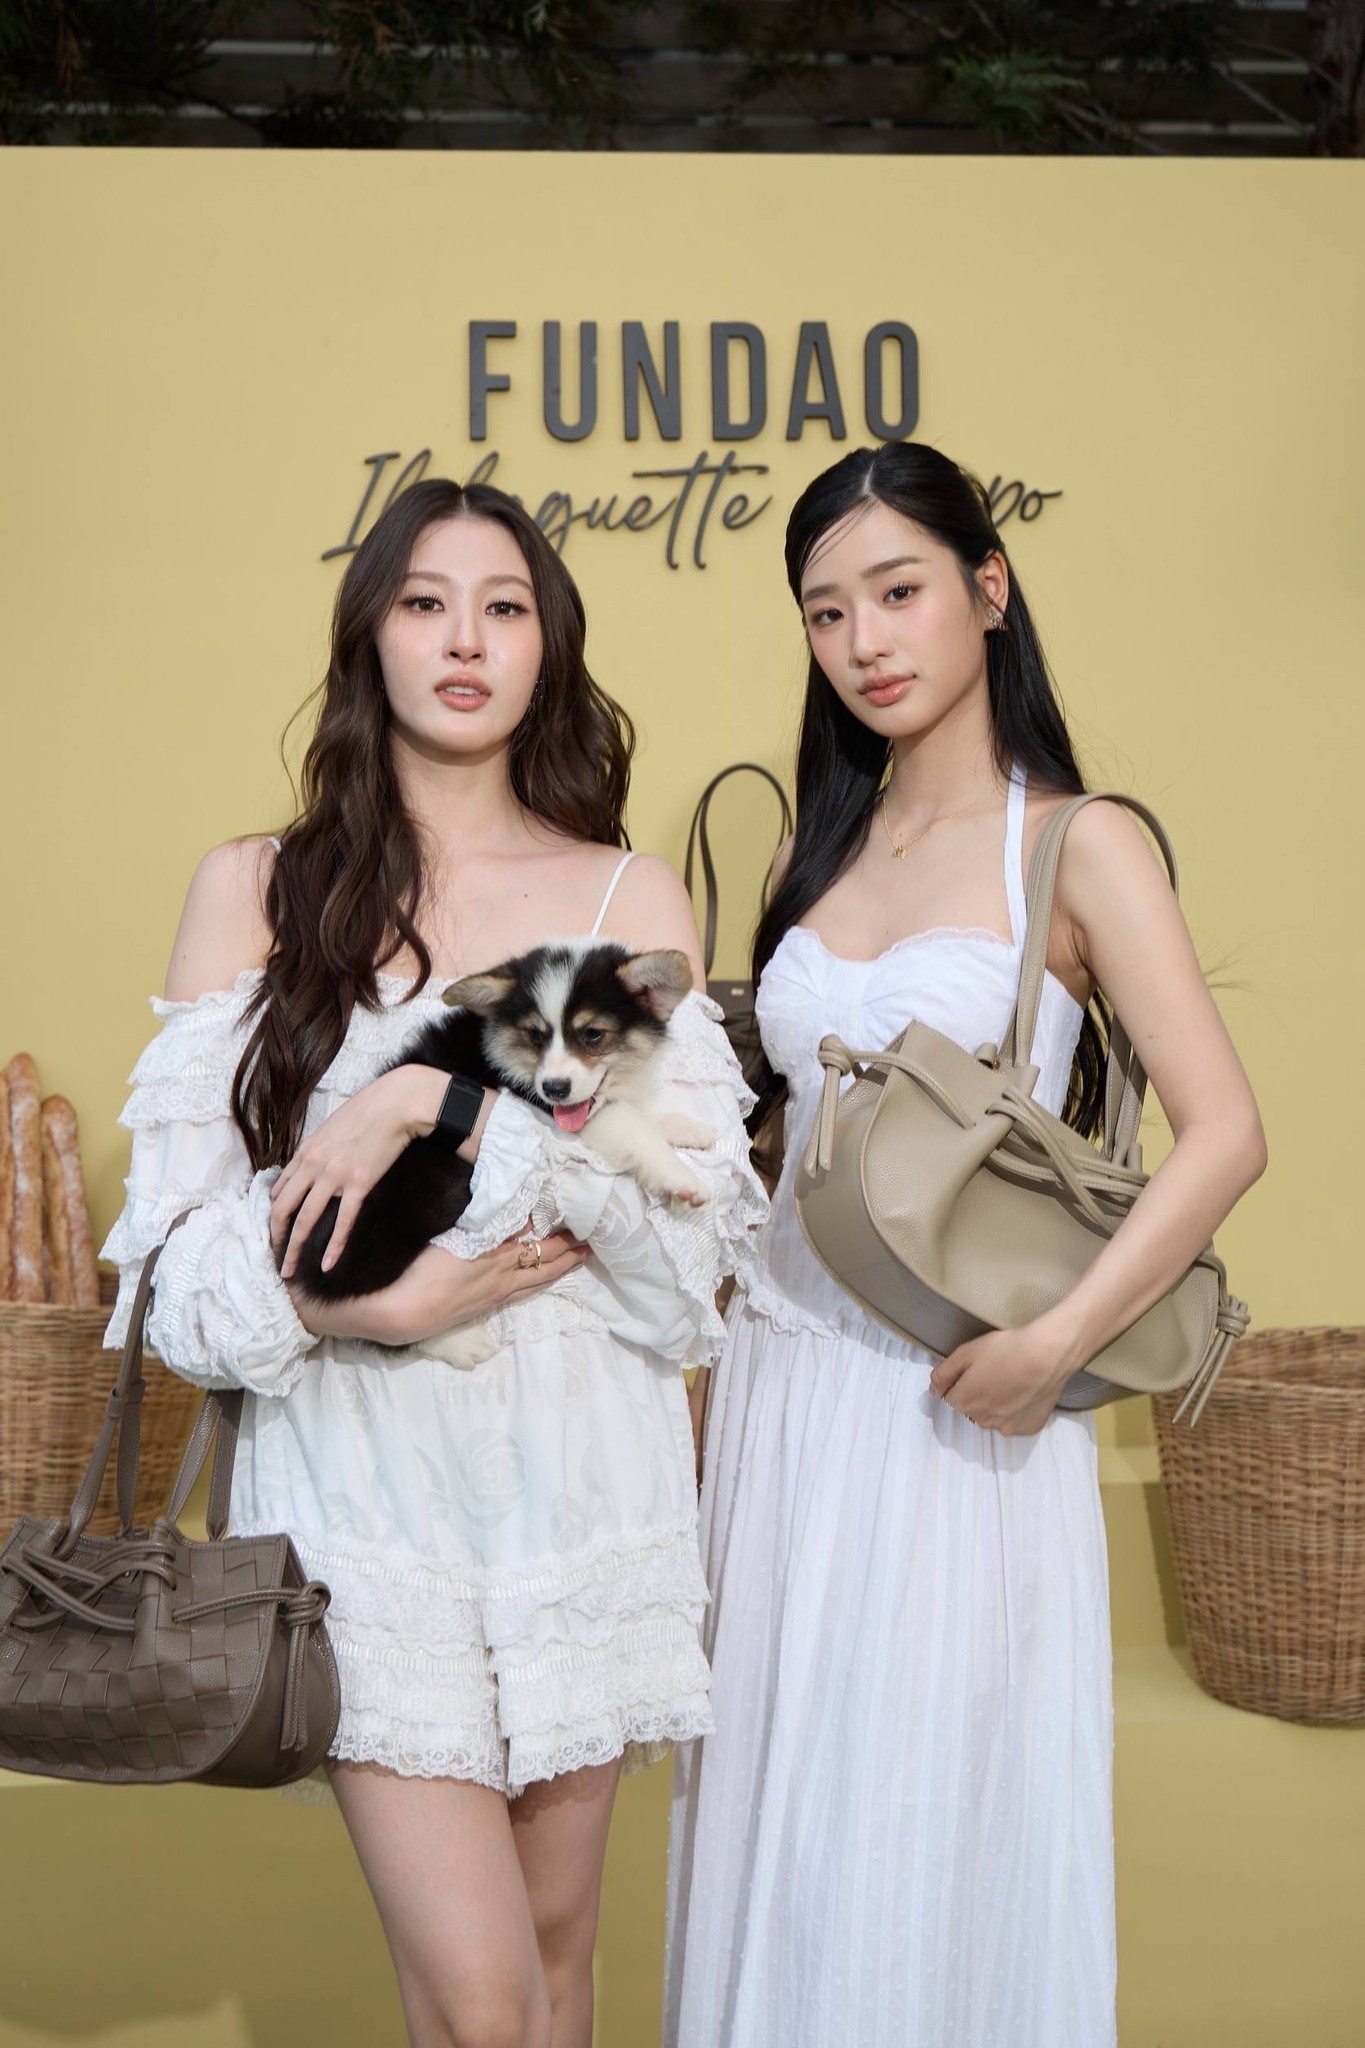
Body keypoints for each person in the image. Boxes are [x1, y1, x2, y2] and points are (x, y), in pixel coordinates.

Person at [100, 477, 767, 2048]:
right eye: (424, 602)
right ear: (370, 638)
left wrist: (428, 1099)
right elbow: (177, 1283)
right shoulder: (256, 889)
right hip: (361, 1506)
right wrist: (366, 1302)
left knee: (552, 1973)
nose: (464, 638)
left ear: (547, 648)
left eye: (503, 606)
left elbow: (686, 1265)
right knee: (485, 2007)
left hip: (585, 1493)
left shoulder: (622, 896)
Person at [664, 441, 1267, 2048]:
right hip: (781, 1398)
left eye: (897, 591)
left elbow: (1224, 1134)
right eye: (825, 611)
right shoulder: (813, 852)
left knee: (927, 1838)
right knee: (777, 1837)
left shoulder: (1075, 844)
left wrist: (1052, 1353)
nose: (863, 640)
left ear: (987, 591)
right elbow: (789, 1145)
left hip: (958, 1405)